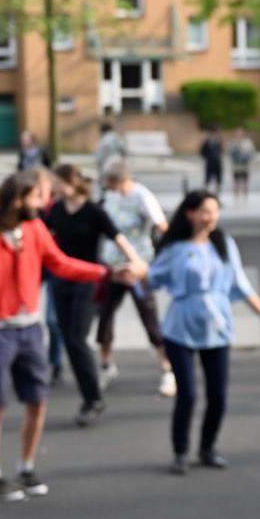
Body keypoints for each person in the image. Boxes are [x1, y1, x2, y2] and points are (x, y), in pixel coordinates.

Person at [0, 169, 139, 502]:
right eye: (36, 197)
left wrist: (106, 272)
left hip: (30, 329)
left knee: (37, 400)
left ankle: (26, 467)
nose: (44, 203)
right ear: (17, 199)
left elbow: (60, 263)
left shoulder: (35, 230)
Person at [147, 189, 260, 474]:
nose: (210, 217)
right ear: (190, 213)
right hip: (181, 325)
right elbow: (152, 277)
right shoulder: (175, 248)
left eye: (214, 211)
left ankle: (208, 447)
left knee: (218, 395)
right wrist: (132, 274)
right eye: (204, 211)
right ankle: (180, 451)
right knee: (187, 395)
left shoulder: (223, 243)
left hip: (216, 325)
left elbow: (241, 283)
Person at [42, 164, 145, 426]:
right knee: (68, 339)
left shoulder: (93, 211)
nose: (53, 187)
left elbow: (118, 237)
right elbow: (39, 235)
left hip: (88, 281)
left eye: (56, 182)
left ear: (70, 182)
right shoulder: (55, 210)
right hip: (60, 280)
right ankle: (90, 395)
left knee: (77, 338)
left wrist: (136, 263)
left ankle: (93, 399)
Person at [96, 159, 174, 398]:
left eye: (110, 181)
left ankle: (167, 369)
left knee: (148, 314)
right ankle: (107, 365)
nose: (107, 186)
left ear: (120, 179)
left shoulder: (141, 196)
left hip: (137, 265)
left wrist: (167, 256)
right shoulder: (109, 197)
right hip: (112, 265)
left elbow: (162, 226)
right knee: (105, 314)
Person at [228, 128, 255, 205]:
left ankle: (245, 200)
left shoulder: (248, 143)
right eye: (237, 134)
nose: (238, 135)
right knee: (236, 183)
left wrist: (245, 155)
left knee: (245, 183)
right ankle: (236, 200)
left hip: (245, 166)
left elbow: (251, 153)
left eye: (240, 134)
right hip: (236, 166)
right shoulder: (232, 143)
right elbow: (230, 153)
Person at [200, 125, 225, 194]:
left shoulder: (219, 141)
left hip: (217, 163)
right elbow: (202, 152)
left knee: (218, 181)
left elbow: (222, 151)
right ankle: (204, 195)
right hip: (210, 163)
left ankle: (217, 196)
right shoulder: (207, 142)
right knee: (207, 180)